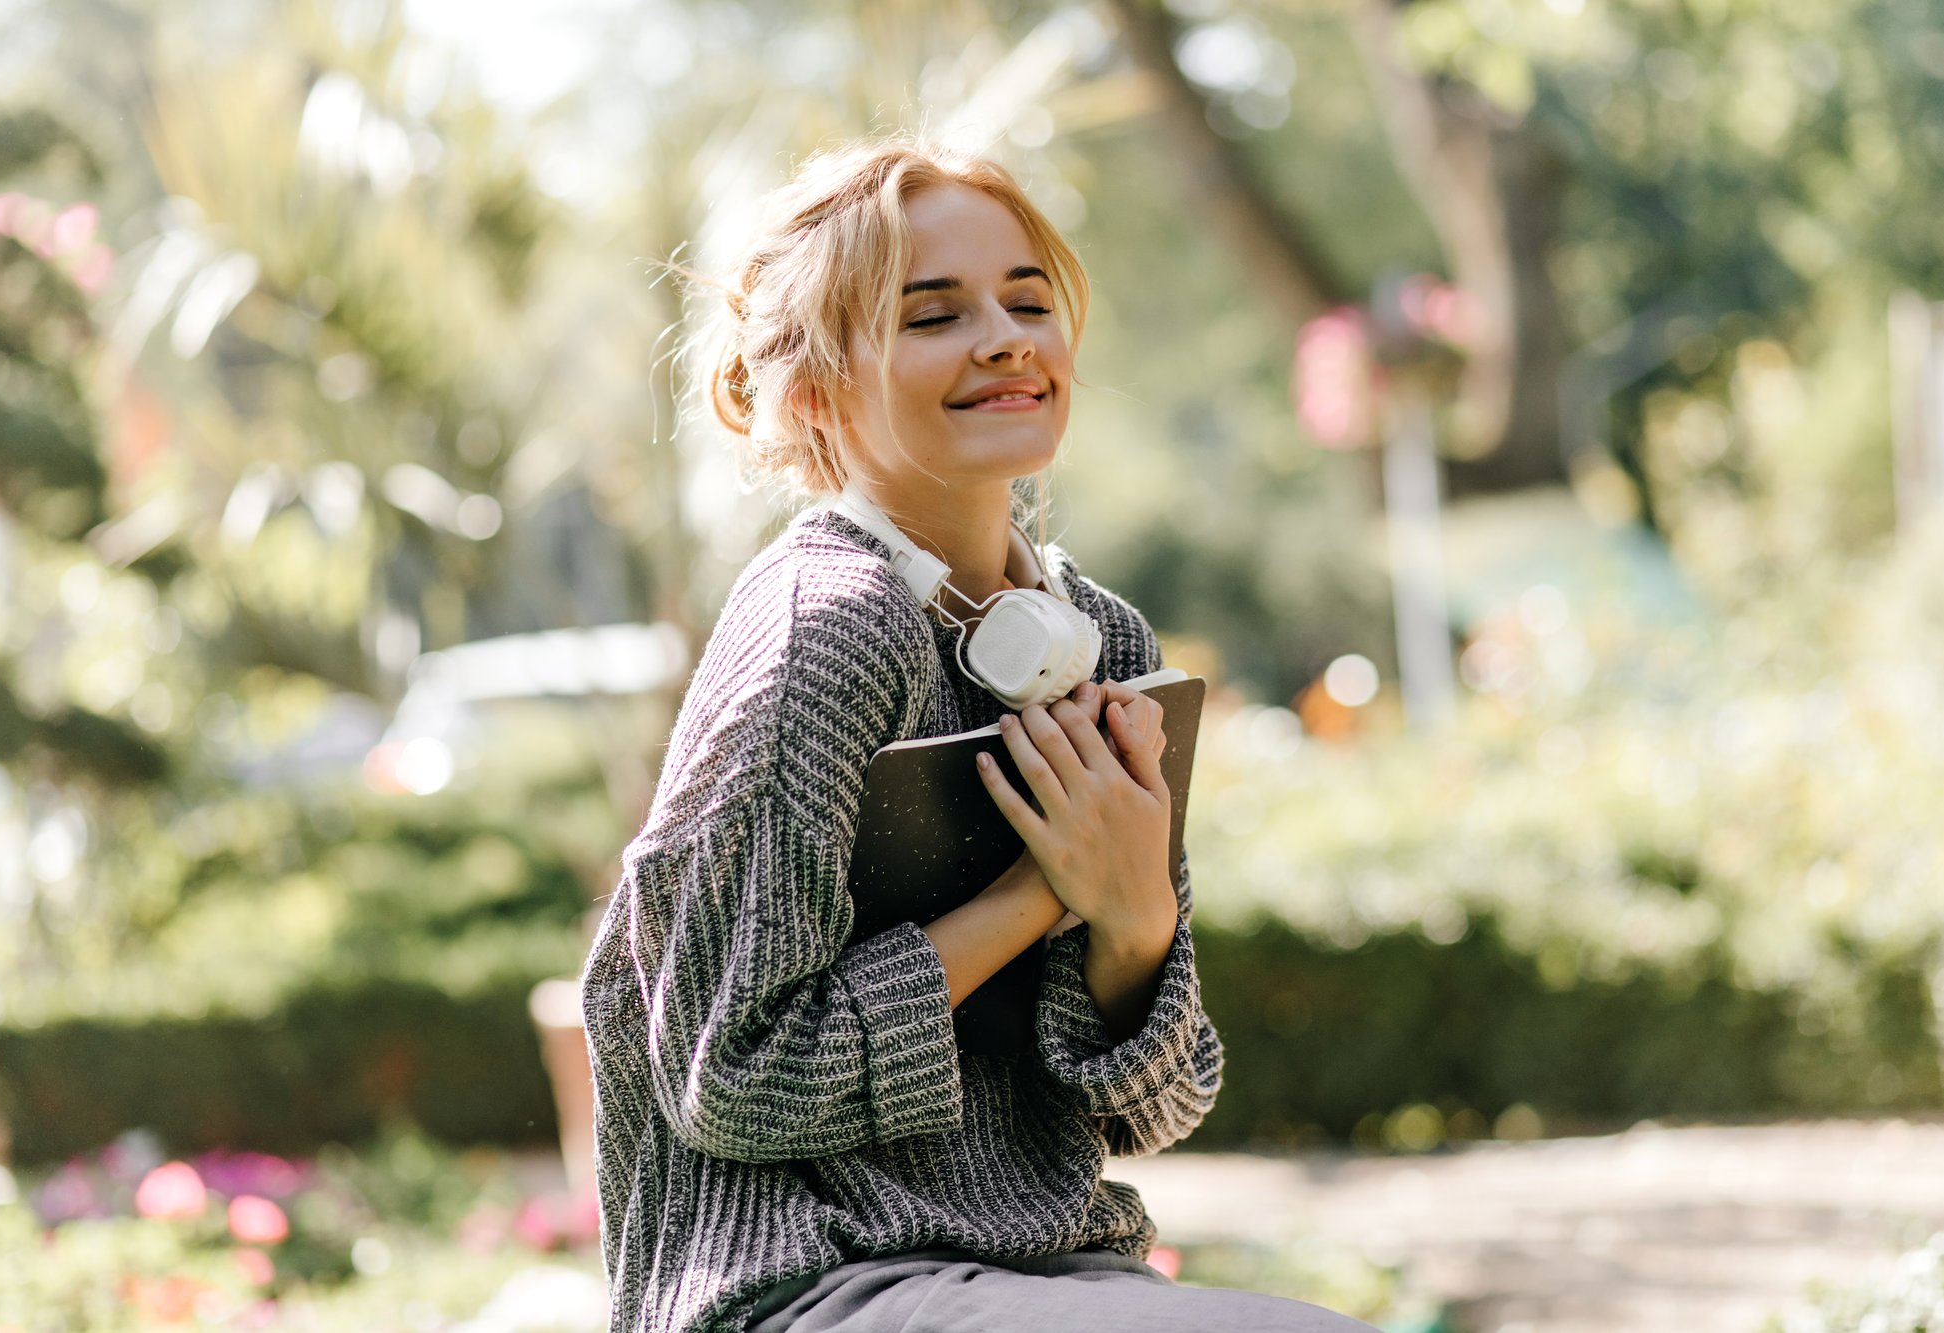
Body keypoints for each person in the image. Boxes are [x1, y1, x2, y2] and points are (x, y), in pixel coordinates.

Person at [580, 136, 1374, 1333]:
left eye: (1028, 299)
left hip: (1049, 1276)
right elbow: (730, 1076)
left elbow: (1158, 1106)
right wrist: (1038, 896)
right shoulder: (821, 629)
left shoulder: (1092, 636)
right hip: (801, 1284)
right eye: (932, 313)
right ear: (811, 385)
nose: (1005, 337)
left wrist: (1133, 915)